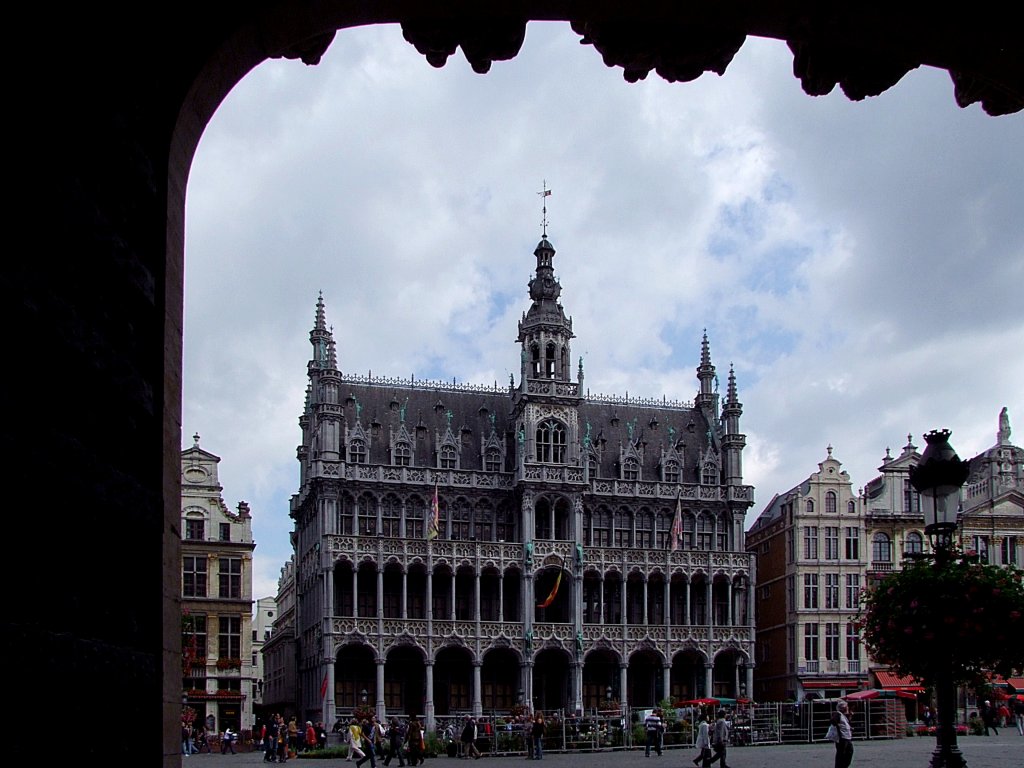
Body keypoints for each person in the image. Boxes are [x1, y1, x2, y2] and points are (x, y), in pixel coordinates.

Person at [829, 700, 854, 768]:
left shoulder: (843, 715)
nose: (848, 708)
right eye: (847, 707)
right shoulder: (838, 714)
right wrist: (837, 725)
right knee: (842, 754)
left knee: (849, 752)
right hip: (842, 738)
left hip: (847, 737)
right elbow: (833, 721)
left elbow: (845, 724)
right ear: (843, 708)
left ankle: (843, 766)